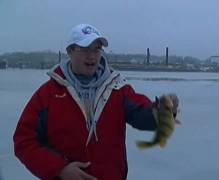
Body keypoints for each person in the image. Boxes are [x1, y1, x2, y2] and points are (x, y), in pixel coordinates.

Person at [13, 24, 178, 180]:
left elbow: (142, 115)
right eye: (84, 49)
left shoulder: (117, 88)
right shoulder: (48, 94)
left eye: (97, 49)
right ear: (70, 51)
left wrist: (162, 111)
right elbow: (24, 141)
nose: (92, 56)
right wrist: (59, 168)